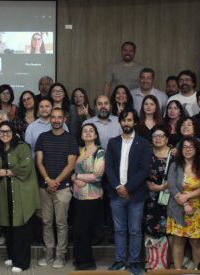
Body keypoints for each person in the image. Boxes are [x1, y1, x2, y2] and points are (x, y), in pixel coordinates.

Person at [104, 109, 152, 274]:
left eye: (129, 120)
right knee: (119, 230)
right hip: (116, 193)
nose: (126, 123)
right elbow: (108, 168)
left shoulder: (144, 143)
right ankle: (119, 260)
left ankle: (134, 262)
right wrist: (118, 187)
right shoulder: (113, 142)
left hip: (136, 194)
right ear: (120, 122)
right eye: (123, 120)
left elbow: (144, 170)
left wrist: (127, 188)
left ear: (135, 122)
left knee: (135, 230)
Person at [34, 107, 77, 268]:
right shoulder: (42, 137)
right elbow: (39, 162)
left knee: (61, 223)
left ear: (64, 119)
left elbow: (71, 164)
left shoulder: (70, 139)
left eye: (60, 117)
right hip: (44, 187)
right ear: (50, 119)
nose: (56, 120)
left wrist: (55, 182)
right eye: (54, 117)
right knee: (46, 222)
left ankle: (60, 255)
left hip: (63, 187)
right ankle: (48, 253)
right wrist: (47, 180)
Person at [0, 121, 40, 273]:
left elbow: (25, 168)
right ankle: (13, 256)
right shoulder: (0, 148)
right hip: (6, 192)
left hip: (22, 191)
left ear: (13, 132)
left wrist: (6, 172)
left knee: (21, 227)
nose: (5, 134)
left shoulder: (22, 146)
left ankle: (22, 262)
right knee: (9, 226)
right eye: (1, 132)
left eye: (8, 131)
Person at [166, 137, 200, 271]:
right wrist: (185, 203)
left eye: (191, 147)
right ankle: (178, 271)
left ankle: (198, 270)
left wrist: (188, 196)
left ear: (196, 149)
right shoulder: (175, 165)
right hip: (177, 206)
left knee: (196, 241)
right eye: (185, 147)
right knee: (178, 240)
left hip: (197, 208)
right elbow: (172, 186)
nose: (188, 150)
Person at [70, 123, 105, 271]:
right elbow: (73, 172)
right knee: (78, 230)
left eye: (91, 131)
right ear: (81, 135)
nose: (88, 133)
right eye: (85, 131)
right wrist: (74, 178)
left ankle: (87, 262)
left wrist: (76, 176)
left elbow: (97, 175)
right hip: (77, 196)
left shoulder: (100, 151)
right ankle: (80, 259)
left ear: (96, 135)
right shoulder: (80, 150)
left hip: (91, 197)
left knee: (82, 230)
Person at [143, 125, 173, 241]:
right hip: (149, 197)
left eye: (161, 136)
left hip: (169, 196)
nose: (158, 138)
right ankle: (152, 258)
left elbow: (178, 176)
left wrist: (161, 187)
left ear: (167, 139)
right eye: (155, 136)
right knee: (149, 225)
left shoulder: (174, 154)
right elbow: (139, 171)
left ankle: (168, 258)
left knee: (169, 229)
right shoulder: (146, 152)